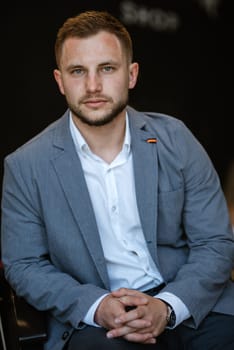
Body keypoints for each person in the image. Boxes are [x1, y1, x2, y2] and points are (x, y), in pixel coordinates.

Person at [1, 10, 234, 350]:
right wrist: (97, 308)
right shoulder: (26, 165)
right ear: (60, 81)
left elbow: (215, 242)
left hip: (188, 298)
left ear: (131, 74)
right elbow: (23, 265)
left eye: (107, 68)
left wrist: (168, 306)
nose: (93, 86)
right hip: (99, 320)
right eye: (78, 71)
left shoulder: (175, 139)